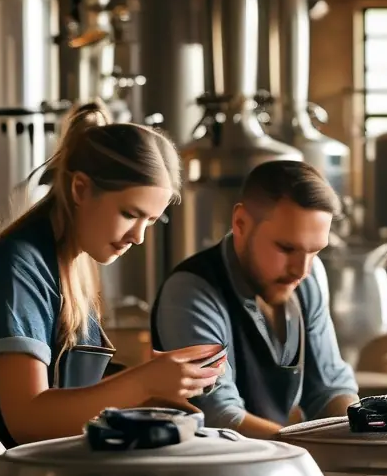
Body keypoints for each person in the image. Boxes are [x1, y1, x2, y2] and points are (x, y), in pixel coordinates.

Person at [0, 101, 224, 448]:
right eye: (130, 213)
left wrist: (158, 378)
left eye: (151, 220)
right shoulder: (16, 270)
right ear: (80, 189)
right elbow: (30, 419)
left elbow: (73, 394)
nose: (139, 236)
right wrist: (144, 382)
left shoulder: (73, 262)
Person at [151, 160, 359, 439]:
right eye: (286, 248)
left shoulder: (308, 276)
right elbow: (220, 417)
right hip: (211, 475)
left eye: (315, 251)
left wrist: (360, 437)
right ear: (241, 223)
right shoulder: (190, 291)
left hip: (283, 464)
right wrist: (318, 452)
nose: (302, 269)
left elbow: (329, 388)